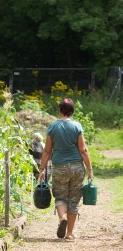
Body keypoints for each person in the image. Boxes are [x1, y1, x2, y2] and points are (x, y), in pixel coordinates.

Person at [39, 98, 93, 241]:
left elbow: (47, 151)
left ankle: (62, 217)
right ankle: (69, 234)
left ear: (60, 110)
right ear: (72, 111)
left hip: (59, 167)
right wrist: (90, 169)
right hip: (76, 167)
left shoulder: (53, 127)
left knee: (61, 196)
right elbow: (83, 150)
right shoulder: (77, 126)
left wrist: (42, 168)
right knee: (74, 200)